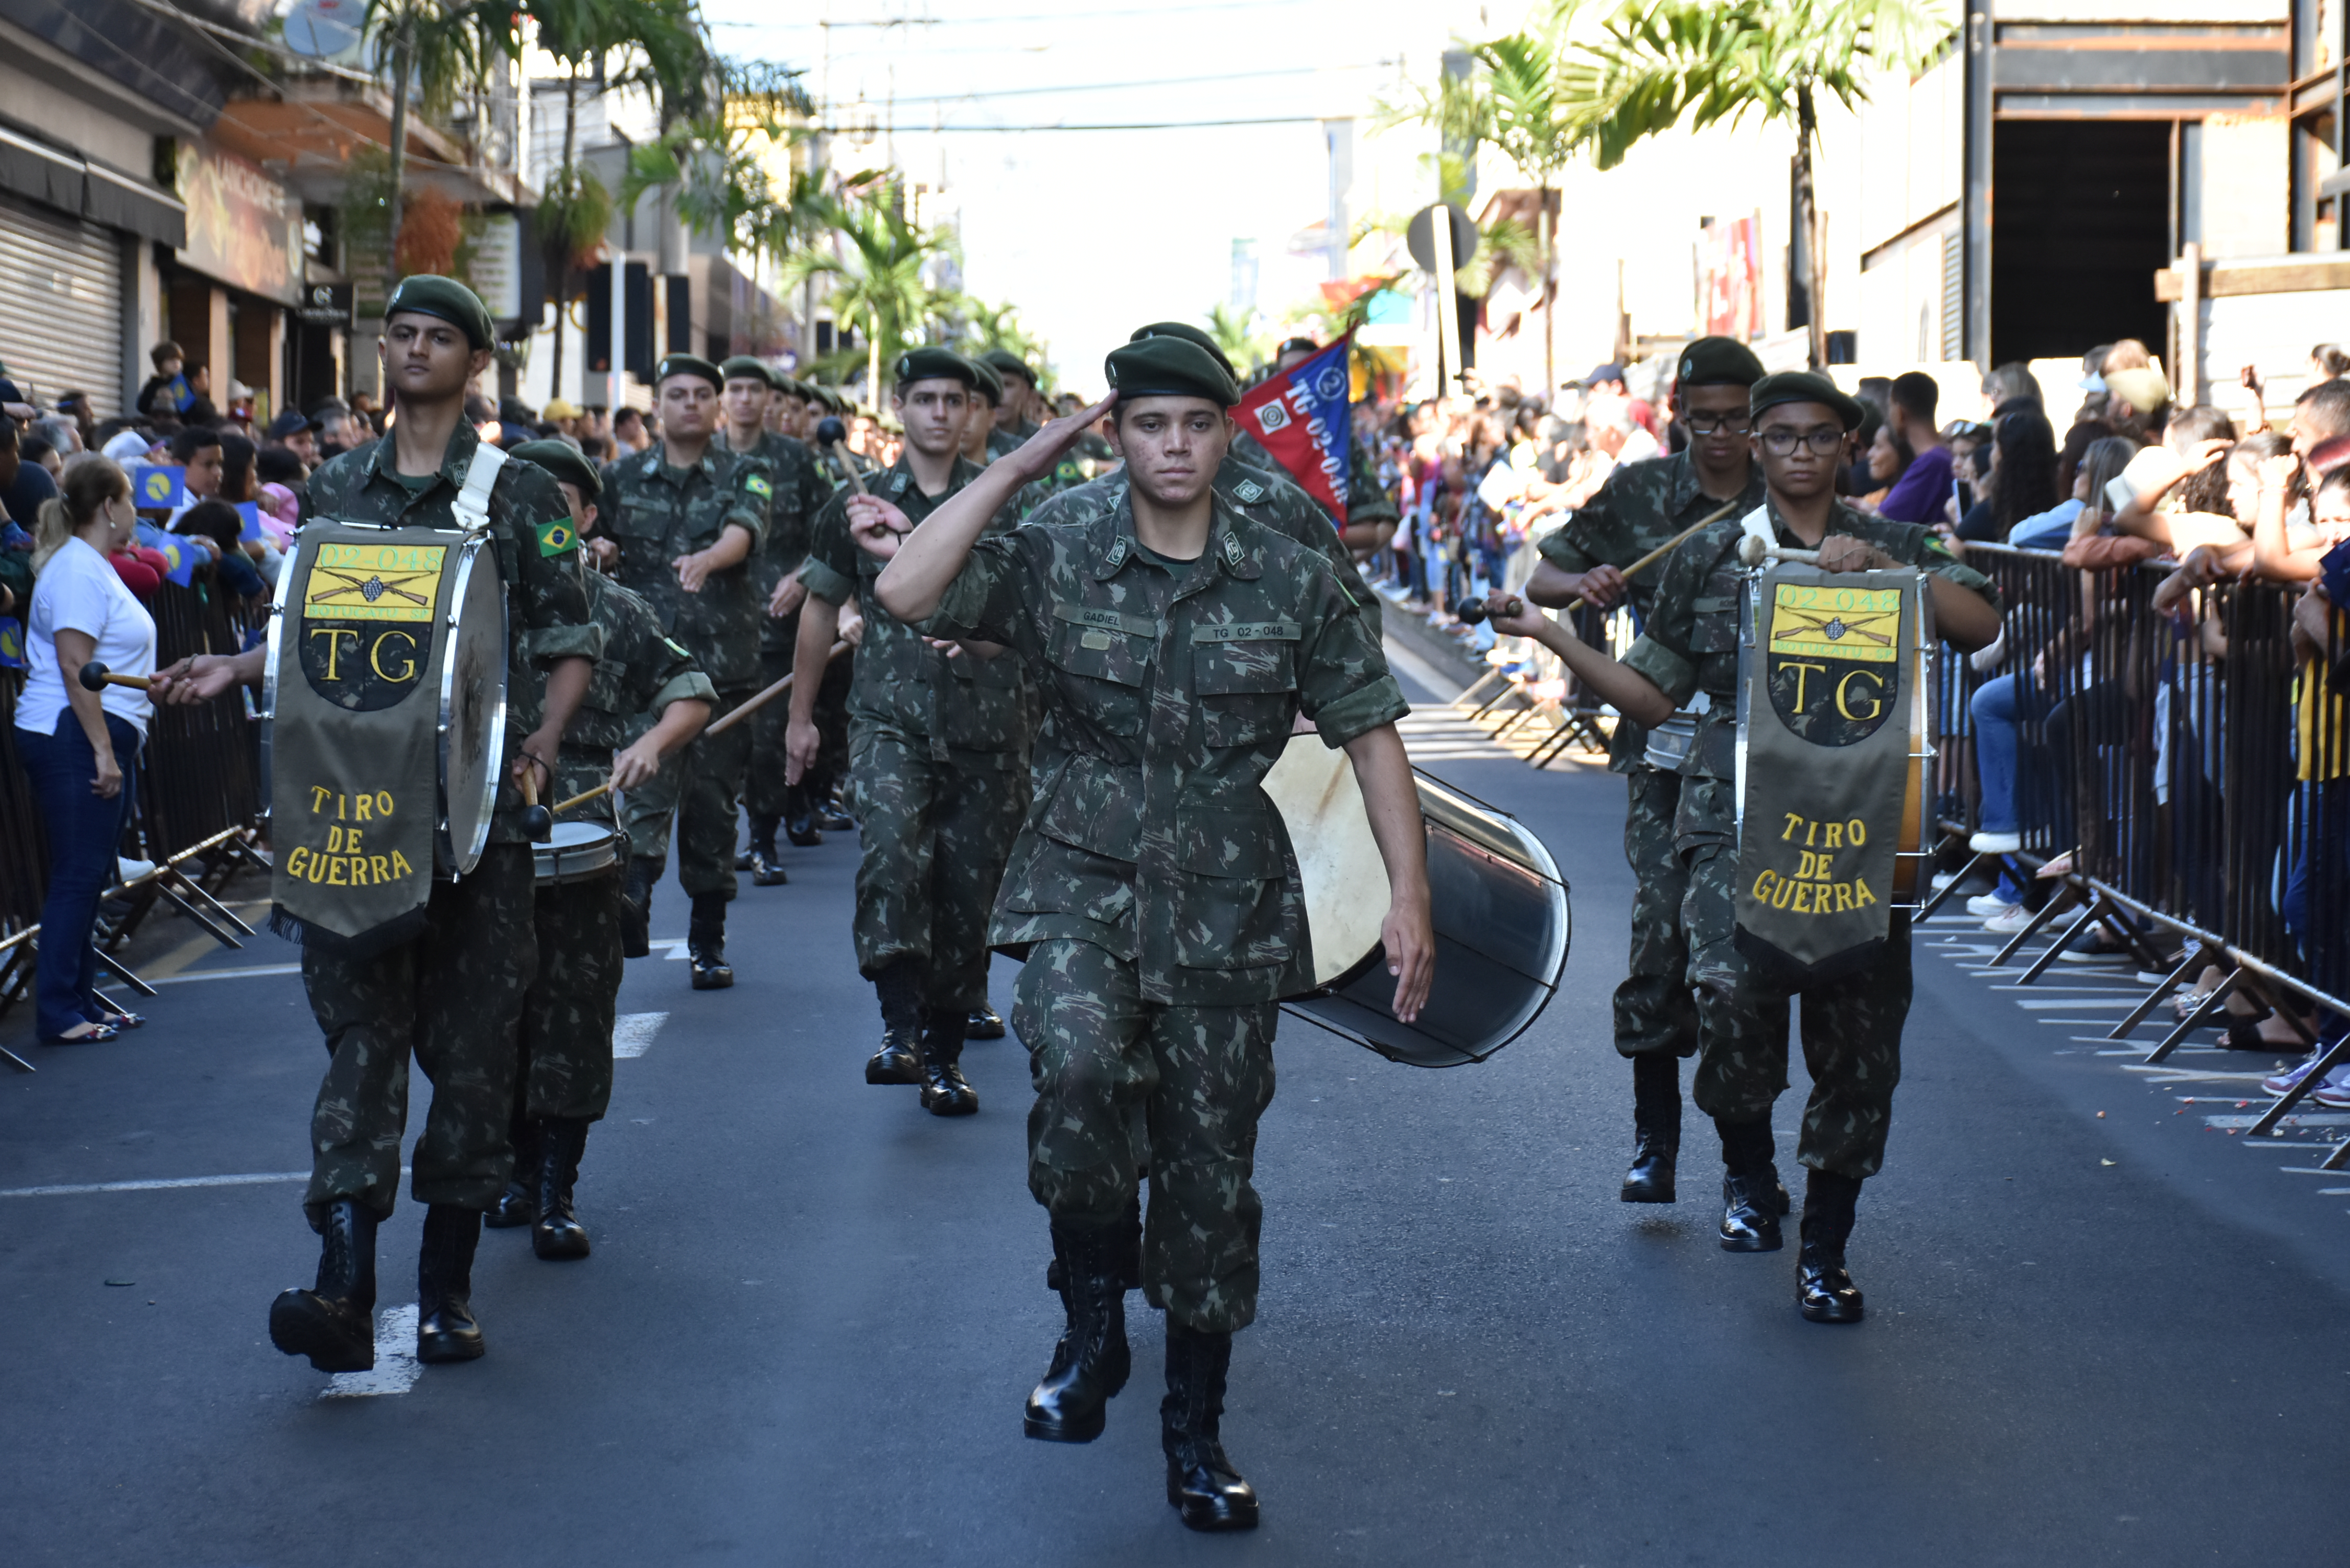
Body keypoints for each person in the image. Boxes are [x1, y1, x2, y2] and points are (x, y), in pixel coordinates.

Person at [864, 331, 1434, 1532]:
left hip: (1228, 905)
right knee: (1073, 1073)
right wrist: (1013, 468)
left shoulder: (1285, 569)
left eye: (1195, 425)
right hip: (1078, 876)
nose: (1173, 447)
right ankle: (1086, 1323)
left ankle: (1195, 1429)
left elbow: (1371, 731)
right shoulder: (1058, 545)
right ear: (1114, 433)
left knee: (1207, 1180)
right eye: (1148, 424)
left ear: (1226, 435)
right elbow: (904, 590)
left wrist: (1409, 896)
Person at [152, 275, 602, 1375]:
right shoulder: (341, 482)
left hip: (477, 819)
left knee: (474, 1054)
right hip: (352, 815)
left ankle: (444, 1288)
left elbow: (568, 638)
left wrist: (541, 744)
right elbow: (323, 632)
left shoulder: (521, 492)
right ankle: (343, 1285)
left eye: (435, 336)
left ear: (474, 362)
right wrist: (235, 664)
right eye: (397, 332)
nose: (410, 349)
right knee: (363, 1042)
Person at [1483, 370, 1998, 1322]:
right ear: (1754, 449)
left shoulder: (1891, 541)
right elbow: (1651, 694)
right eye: (1781, 437)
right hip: (1735, 818)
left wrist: (1894, 580)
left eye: (1820, 437)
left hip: (1860, 822)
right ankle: (1751, 1175)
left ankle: (1827, 1250)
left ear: (1848, 447)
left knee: (1859, 1040)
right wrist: (1552, 636)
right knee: (1729, 1005)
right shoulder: (1711, 554)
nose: (1800, 452)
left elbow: (1982, 623)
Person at [1522, 336, 1770, 1205]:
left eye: (1737, 420)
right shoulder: (1639, 492)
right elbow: (1543, 575)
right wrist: (1582, 584)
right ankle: (1654, 1140)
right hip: (1665, 744)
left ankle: (1751, 1164)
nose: (1720, 437)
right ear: (1676, 417)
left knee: (1743, 959)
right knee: (1661, 937)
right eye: (1702, 419)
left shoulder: (1791, 496)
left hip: (1775, 763)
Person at [786, 348, 1030, 1113]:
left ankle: (945, 1054)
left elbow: (1028, 619)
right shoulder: (853, 506)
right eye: (924, 398)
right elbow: (819, 611)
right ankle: (900, 1032)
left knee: (966, 899)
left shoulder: (1003, 504)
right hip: (888, 721)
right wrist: (800, 719)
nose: (938, 413)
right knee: (892, 861)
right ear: (901, 408)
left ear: (972, 413)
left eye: (953, 400)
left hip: (986, 730)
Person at [487, 441, 715, 1258]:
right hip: (481, 830)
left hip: (579, 831)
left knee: (571, 1013)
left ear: (586, 517)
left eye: (560, 503)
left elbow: (689, 693)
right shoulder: (475, 598)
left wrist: (653, 743)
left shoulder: (612, 607)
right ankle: (511, 1165)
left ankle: (555, 1186)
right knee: (489, 1014)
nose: (538, 517)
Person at [602, 354, 772, 984]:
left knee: (711, 808)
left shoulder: (745, 472)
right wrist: (600, 546)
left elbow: (744, 532)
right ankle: (634, 903)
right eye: (678, 394)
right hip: (646, 672)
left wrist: (708, 559)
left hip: (724, 671)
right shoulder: (619, 478)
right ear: (658, 407)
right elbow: (598, 532)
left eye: (703, 394)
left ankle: (707, 939)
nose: (691, 404)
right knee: (643, 791)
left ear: (717, 407)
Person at [15, 455, 154, 1044]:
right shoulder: (76, 570)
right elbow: (77, 668)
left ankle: (80, 1003)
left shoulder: (92, 566)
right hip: (71, 735)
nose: (136, 514)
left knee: (91, 872)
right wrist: (102, 750)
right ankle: (60, 1014)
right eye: (130, 501)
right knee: (77, 874)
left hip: (88, 733)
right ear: (108, 507)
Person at [717, 355, 825, 881]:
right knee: (714, 746)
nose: (743, 399)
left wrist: (802, 577)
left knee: (765, 742)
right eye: (733, 388)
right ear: (723, 398)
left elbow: (826, 534)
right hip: (709, 630)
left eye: (752, 389)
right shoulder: (704, 460)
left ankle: (762, 840)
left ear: (768, 399)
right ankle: (716, 849)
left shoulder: (794, 460)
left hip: (775, 623)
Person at [1873, 372, 1952, 524]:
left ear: (1899, 411)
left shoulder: (1931, 462)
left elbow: (1882, 521)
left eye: (1890, 406)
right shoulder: (1945, 454)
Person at [981, 349, 1042, 441]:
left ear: (1025, 392)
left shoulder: (1043, 440)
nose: (998, 393)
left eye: (1007, 385)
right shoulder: (960, 440)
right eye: (990, 385)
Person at [137, 342, 193, 421]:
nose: (176, 363)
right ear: (160, 363)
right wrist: (156, 395)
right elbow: (142, 407)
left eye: (179, 359)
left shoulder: (183, 382)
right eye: (171, 359)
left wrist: (175, 398)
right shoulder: (153, 385)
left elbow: (192, 409)